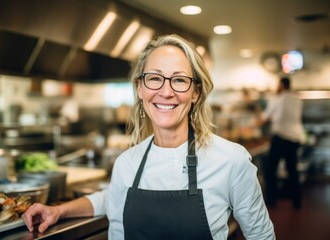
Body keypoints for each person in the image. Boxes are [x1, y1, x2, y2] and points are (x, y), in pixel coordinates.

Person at [22, 34, 275, 239]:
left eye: (179, 80)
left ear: (195, 92)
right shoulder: (127, 163)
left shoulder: (230, 160)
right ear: (140, 89)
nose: (165, 92)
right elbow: (112, 200)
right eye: (154, 78)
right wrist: (58, 211)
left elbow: (261, 236)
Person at [260, 77, 304, 209]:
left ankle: (271, 200)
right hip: (295, 138)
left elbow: (264, 118)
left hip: (280, 137)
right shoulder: (297, 99)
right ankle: (297, 201)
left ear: (281, 85)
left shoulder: (277, 99)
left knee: (270, 169)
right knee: (292, 169)